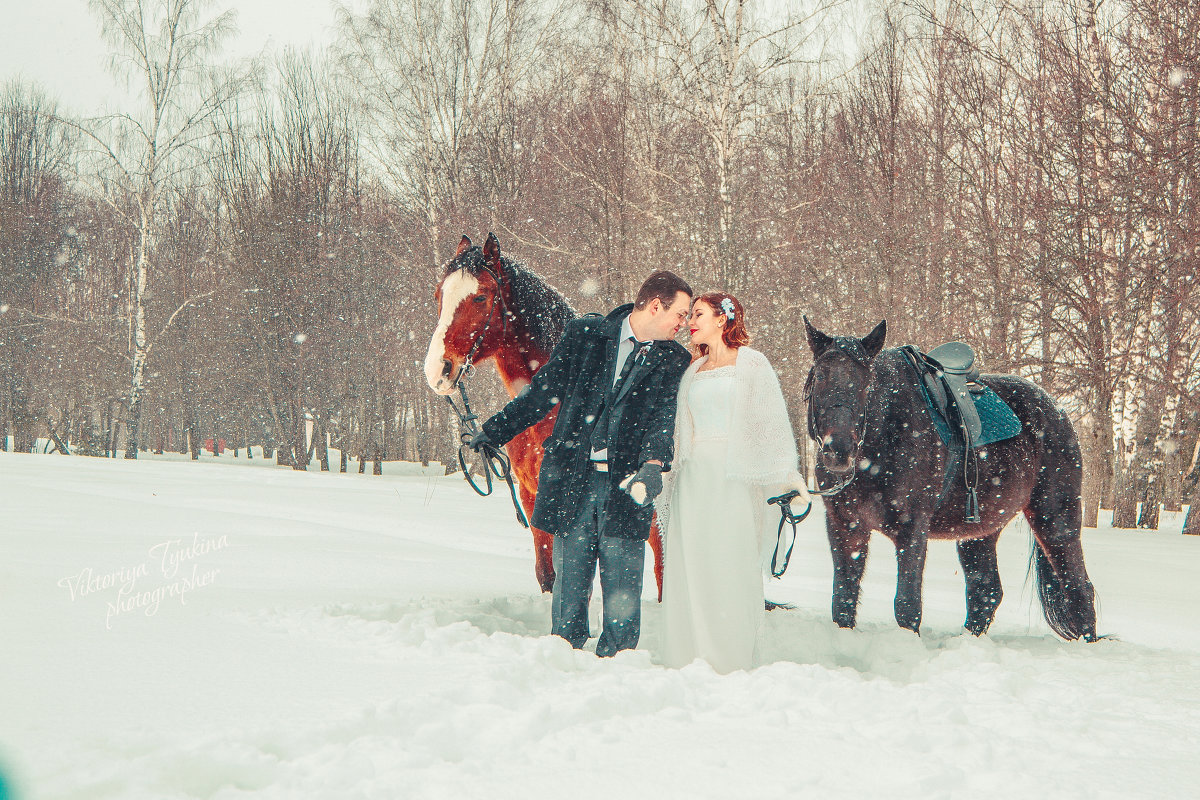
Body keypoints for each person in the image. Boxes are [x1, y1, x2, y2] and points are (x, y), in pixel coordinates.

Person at [470, 271, 693, 656]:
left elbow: (663, 418)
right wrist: (495, 430)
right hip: (573, 483)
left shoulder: (674, 360)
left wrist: (654, 463)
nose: (684, 324)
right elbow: (543, 393)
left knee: (624, 598)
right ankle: (563, 667)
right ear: (656, 306)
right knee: (568, 593)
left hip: (628, 489)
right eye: (682, 313)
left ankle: (619, 671)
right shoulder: (586, 335)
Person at [657, 292, 809, 673]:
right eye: (690, 315)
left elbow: (771, 425)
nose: (691, 321)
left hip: (735, 476)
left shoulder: (753, 364)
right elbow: (680, 431)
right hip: (693, 478)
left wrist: (787, 476)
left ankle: (729, 658)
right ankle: (690, 655)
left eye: (699, 314)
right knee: (693, 562)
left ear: (723, 320)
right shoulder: (692, 370)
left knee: (729, 562)